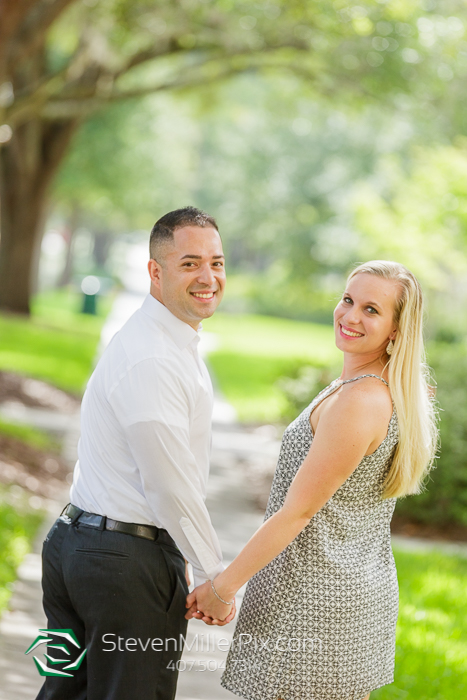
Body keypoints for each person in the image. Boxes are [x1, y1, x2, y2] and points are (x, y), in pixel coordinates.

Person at [186, 260, 439, 700]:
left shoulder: (360, 401)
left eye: (372, 310)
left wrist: (223, 589)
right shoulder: (369, 388)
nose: (350, 316)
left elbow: (297, 511)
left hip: (315, 607)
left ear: (398, 330)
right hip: (345, 595)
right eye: (347, 300)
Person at [37, 206, 235, 700]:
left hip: (89, 546)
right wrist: (216, 577)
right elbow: (168, 485)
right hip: (120, 566)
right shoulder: (153, 357)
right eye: (190, 263)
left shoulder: (166, 343)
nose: (208, 276)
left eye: (217, 262)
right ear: (155, 271)